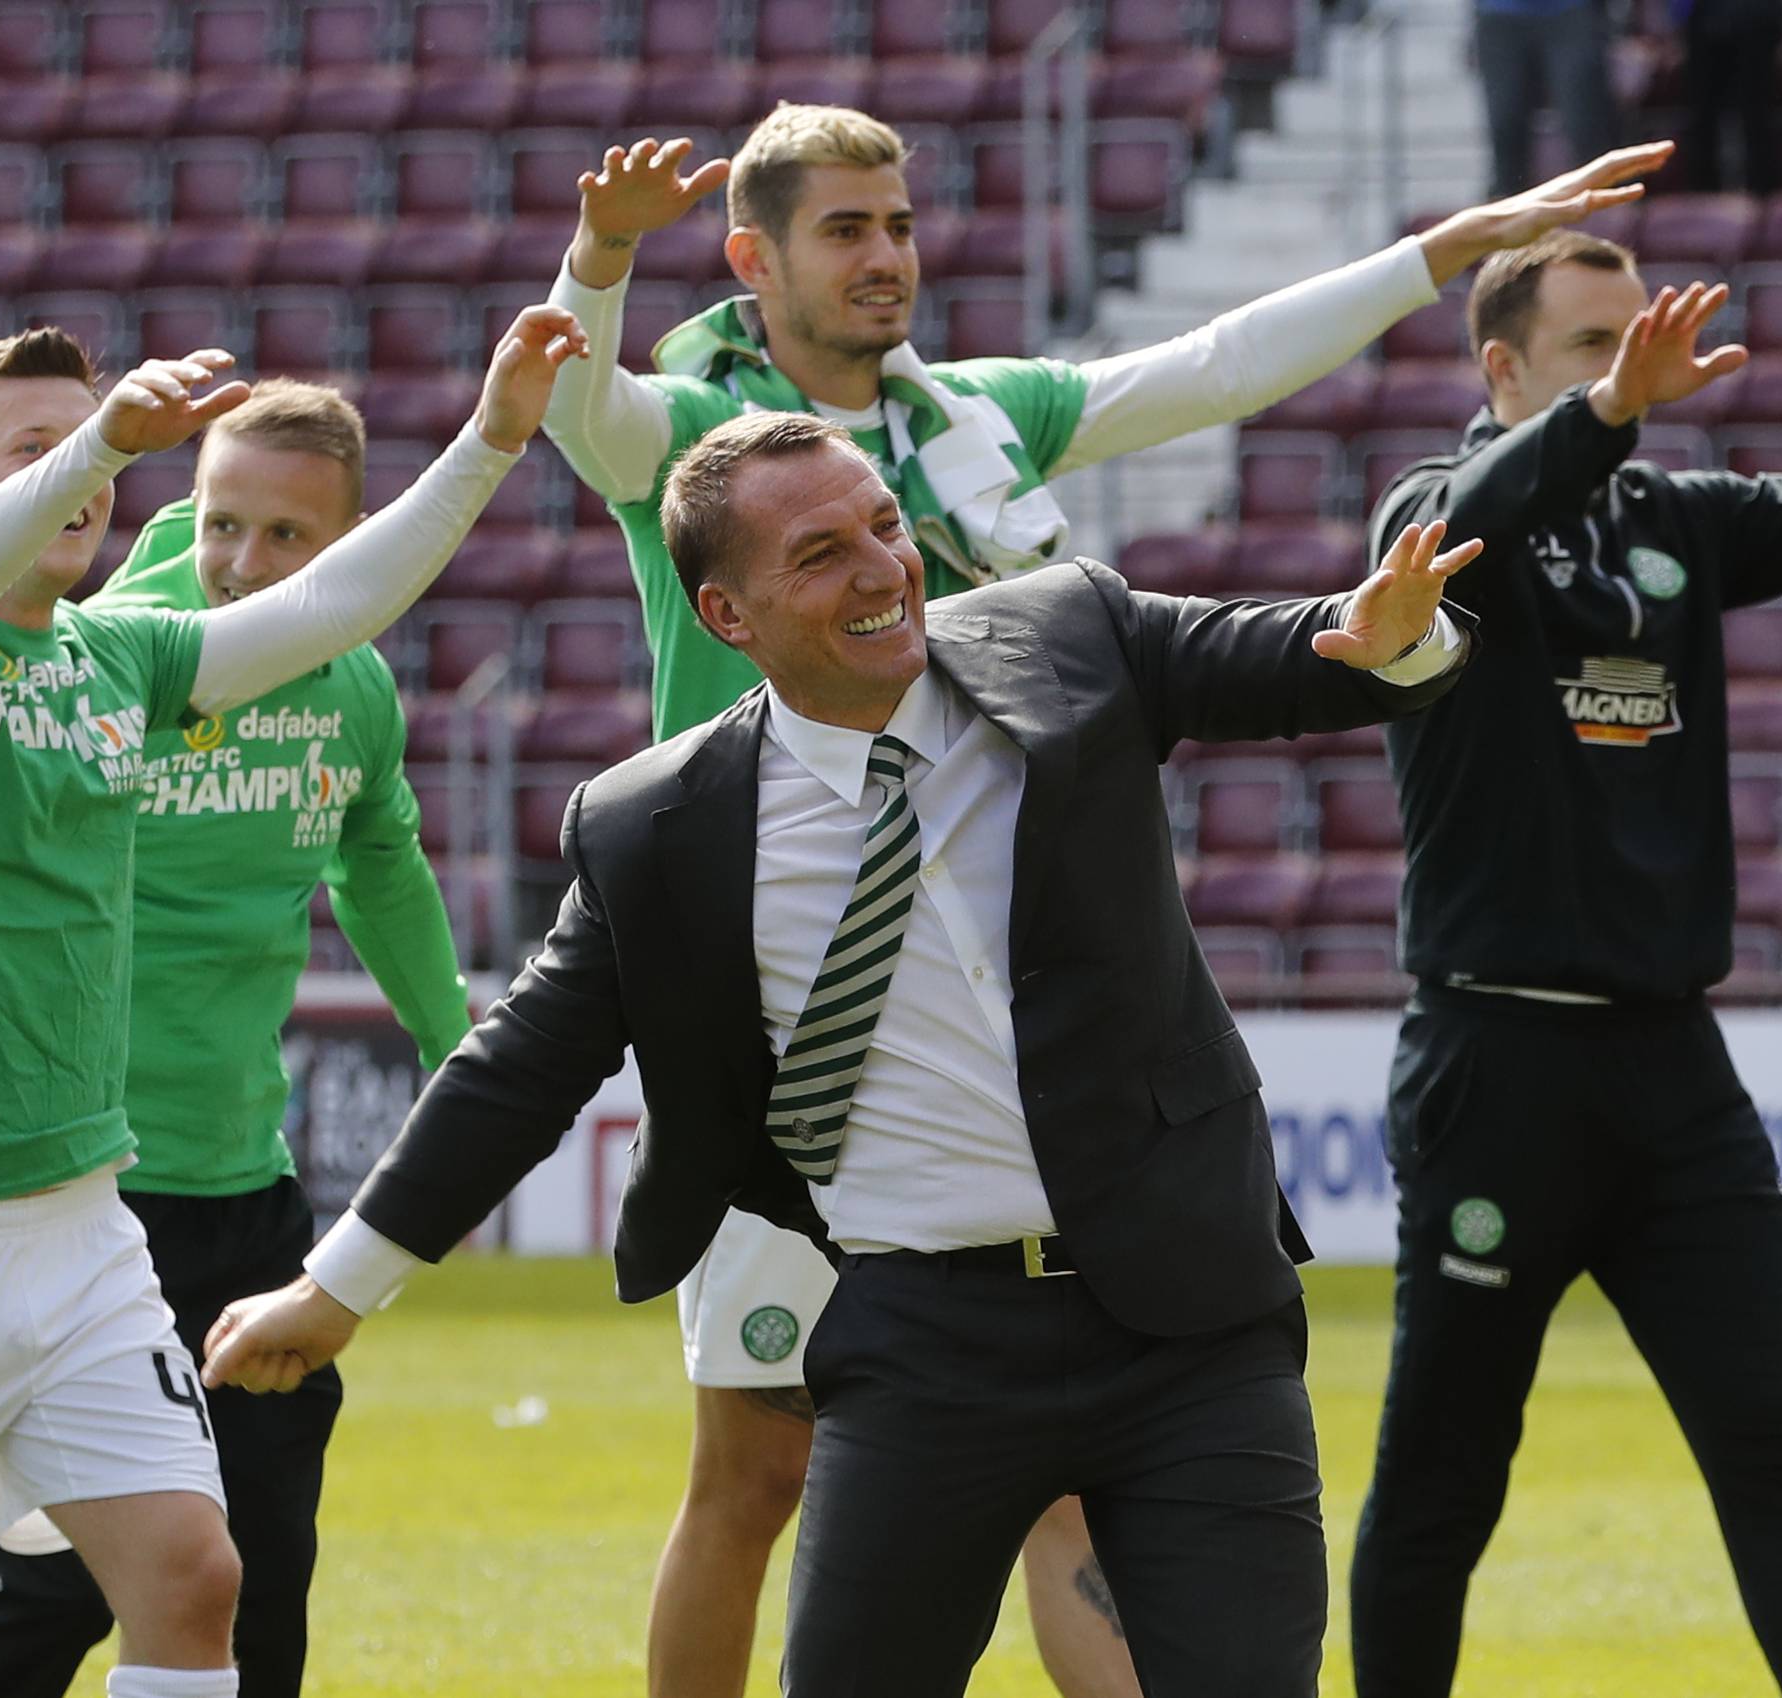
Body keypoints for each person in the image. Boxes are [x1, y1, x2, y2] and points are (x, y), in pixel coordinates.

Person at [537, 101, 1664, 1698]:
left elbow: (1210, 368)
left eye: (900, 223)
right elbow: (570, 406)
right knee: (752, 1475)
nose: (886, 256)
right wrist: (595, 258)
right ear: (753, 257)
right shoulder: (701, 449)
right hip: (795, 1014)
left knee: (1074, 1463)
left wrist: (1435, 256)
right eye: (843, 229)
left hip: (1020, 993)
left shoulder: (975, 413)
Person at [203, 409, 1483, 1698]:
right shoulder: (656, 827)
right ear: (727, 616)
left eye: (884, 524)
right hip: (924, 1341)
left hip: (1189, 1320)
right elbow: (522, 1063)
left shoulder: (1068, 637)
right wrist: (336, 1287)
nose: (883, 568)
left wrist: (1399, 642)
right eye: (820, 553)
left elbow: (1296, 654)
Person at [0, 304, 583, 1698]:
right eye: (29, 450)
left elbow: (343, 604)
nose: (78, 477)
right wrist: (102, 433)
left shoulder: (116, 664)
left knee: (197, 1572)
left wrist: (490, 438)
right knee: (24, 1612)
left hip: (85, 1222)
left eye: (84, 449)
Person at [1347, 230, 1782, 1697]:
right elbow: (1497, 494)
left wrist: (1617, 426)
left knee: (1777, 1446)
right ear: (1501, 368)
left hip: (1671, 1070)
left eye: (1642, 338)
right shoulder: (1433, 513)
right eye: (1593, 345)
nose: (1636, 362)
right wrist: (1609, 411)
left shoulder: (1670, 512)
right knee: (1444, 1471)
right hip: (1498, 1064)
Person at [1474, 0, 1620, 200]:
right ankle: (1506, 214)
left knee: (1584, 123)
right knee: (1505, 124)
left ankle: (1605, 207)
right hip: (1500, 13)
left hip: (1571, 11)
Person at [1677, 0, 1782, 196]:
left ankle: (1763, 199)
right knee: (1702, 119)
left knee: (1756, 116)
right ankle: (1704, 202)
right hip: (1705, 15)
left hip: (1757, 16)